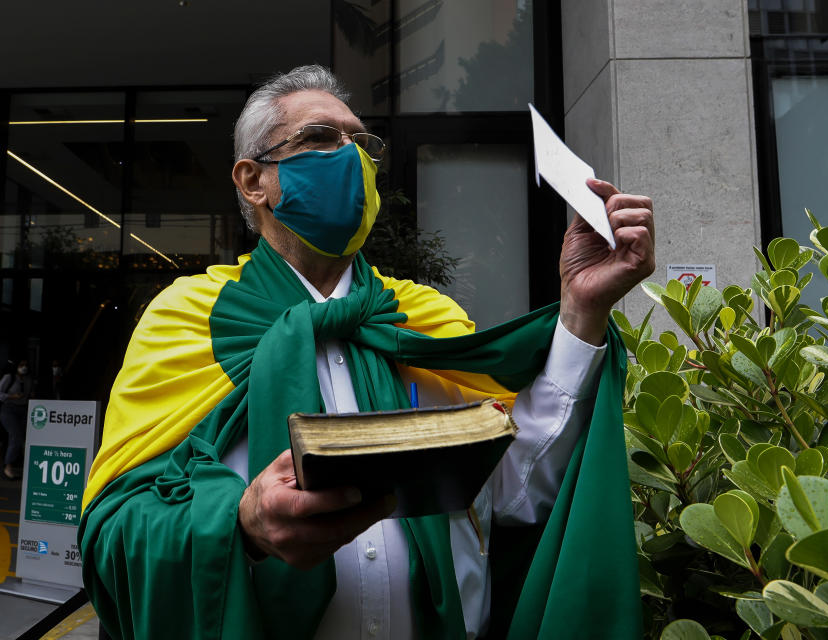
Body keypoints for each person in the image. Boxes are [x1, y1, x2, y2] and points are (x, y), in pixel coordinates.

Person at [79, 65, 655, 640]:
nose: (352, 158)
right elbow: (118, 531)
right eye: (321, 139)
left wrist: (581, 313)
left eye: (362, 142)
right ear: (254, 181)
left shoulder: (424, 320)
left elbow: (515, 491)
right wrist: (241, 527)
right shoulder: (194, 320)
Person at [0, 359, 33, 480]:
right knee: (15, 436)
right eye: (21, 365)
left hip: (23, 410)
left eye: (26, 365)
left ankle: (17, 464)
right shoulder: (9, 377)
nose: (24, 367)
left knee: (22, 438)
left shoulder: (28, 379)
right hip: (9, 409)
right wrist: (11, 396)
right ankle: (7, 466)